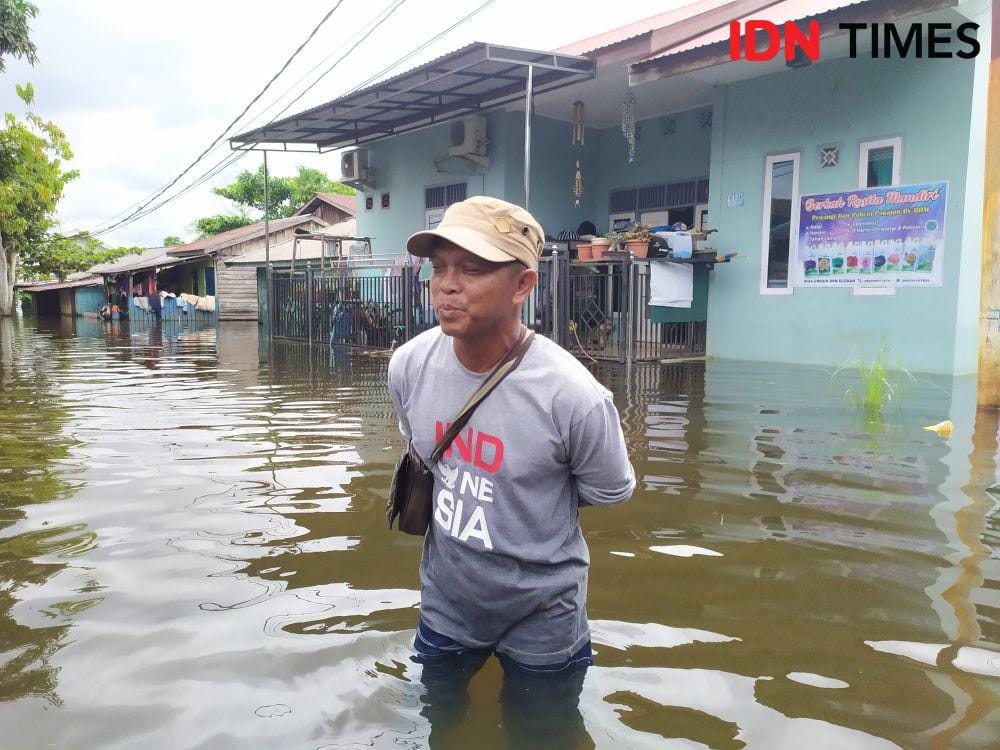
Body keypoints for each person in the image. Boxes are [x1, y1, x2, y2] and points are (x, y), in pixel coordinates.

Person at [387, 196, 635, 746]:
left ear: (522, 285)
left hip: (543, 609)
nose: (447, 285)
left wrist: (526, 501)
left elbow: (608, 490)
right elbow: (423, 452)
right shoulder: (408, 365)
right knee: (439, 726)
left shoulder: (573, 397)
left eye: (472, 269)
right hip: (448, 601)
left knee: (542, 735)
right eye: (439, 268)